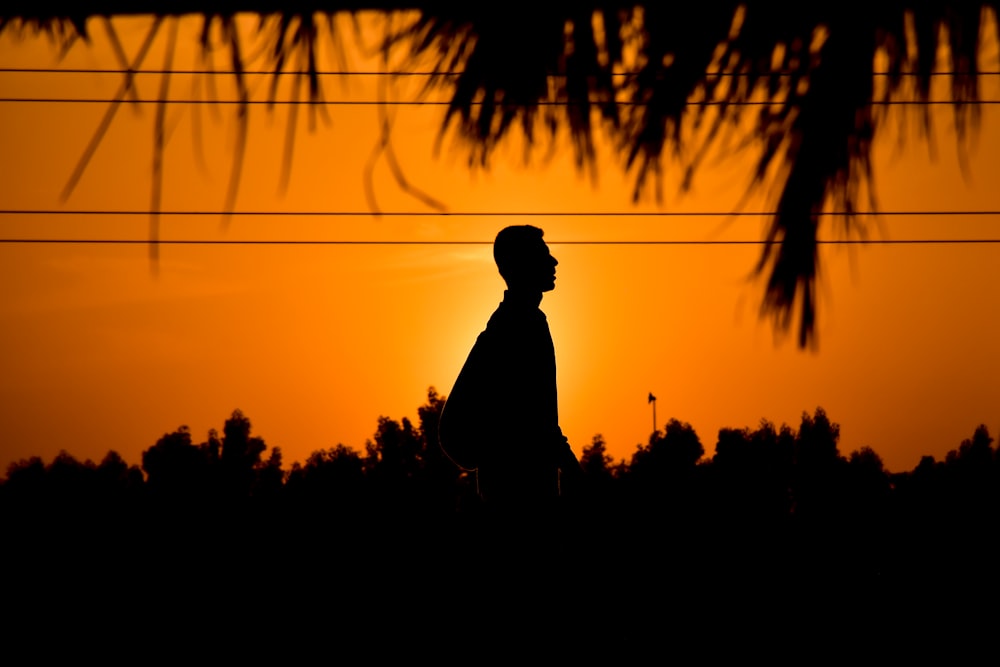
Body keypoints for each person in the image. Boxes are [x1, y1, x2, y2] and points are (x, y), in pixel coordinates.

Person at [440, 225, 581, 510]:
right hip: (522, 495)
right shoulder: (523, 326)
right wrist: (576, 474)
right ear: (523, 264)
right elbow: (540, 420)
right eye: (544, 255)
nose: (553, 262)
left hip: (506, 490)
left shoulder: (509, 323)